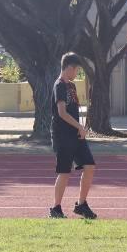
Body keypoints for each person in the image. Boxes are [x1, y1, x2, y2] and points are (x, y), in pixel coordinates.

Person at [49, 52, 97, 219]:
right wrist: (79, 126)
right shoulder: (59, 86)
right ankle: (55, 208)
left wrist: (80, 127)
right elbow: (62, 113)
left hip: (76, 135)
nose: (77, 73)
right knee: (64, 172)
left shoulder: (72, 86)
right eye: (76, 69)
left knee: (89, 166)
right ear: (69, 68)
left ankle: (81, 204)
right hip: (63, 135)